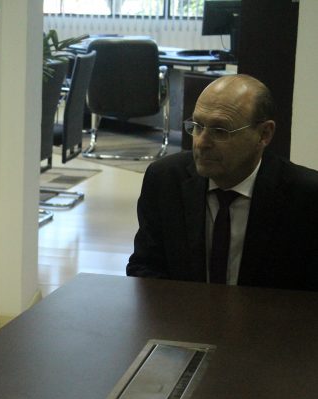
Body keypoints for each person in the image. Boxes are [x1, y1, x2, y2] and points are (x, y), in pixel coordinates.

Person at [127, 74, 318, 290]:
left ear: (264, 134)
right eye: (197, 126)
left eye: (220, 131)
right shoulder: (165, 180)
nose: (201, 142)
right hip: (182, 319)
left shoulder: (307, 197)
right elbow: (144, 268)